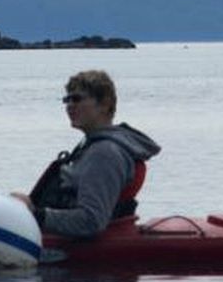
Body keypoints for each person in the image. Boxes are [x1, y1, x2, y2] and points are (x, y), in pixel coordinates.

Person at [12, 70, 160, 239]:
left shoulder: (104, 153)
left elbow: (91, 221)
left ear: (105, 104)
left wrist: (35, 215)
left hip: (76, 250)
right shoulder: (92, 146)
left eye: (77, 99)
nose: (69, 106)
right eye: (67, 100)